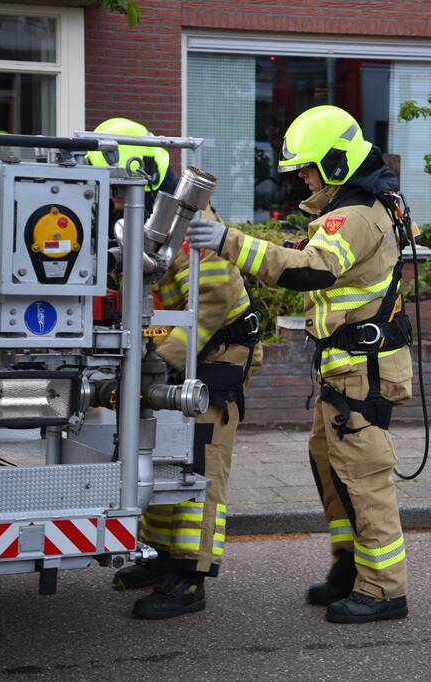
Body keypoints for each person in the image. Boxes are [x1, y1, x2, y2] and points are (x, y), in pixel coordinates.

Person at [186, 105, 413, 624]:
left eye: (309, 169)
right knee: (329, 466)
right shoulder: (357, 205)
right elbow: (328, 260)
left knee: (363, 478)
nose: (303, 179)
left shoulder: (355, 214)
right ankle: (350, 568)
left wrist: (229, 242)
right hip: (347, 368)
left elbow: (312, 271)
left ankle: (383, 590)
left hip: (361, 371)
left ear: (335, 163)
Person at [88, 118, 263, 620]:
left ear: (140, 174)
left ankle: (190, 578)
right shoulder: (147, 220)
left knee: (199, 468)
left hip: (214, 361)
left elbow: (211, 301)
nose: (114, 199)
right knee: (164, 457)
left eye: (118, 187)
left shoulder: (189, 222)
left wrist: (159, 362)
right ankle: (162, 558)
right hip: (177, 358)